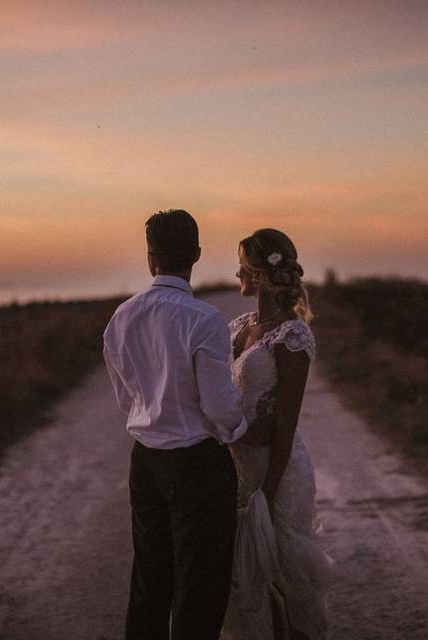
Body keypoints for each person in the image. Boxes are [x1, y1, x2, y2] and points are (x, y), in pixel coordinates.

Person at [103, 210, 271, 640]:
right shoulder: (203, 320)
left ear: (149, 257)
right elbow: (218, 406)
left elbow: (127, 399)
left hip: (145, 463)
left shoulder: (121, 317)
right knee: (200, 588)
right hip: (197, 464)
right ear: (196, 254)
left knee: (149, 582)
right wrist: (246, 430)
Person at [221, 228, 332, 640]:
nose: (237, 273)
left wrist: (267, 489)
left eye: (242, 266)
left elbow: (286, 421)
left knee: (283, 573)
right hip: (235, 466)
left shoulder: (292, 335)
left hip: (277, 471)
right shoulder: (239, 326)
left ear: (261, 273)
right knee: (243, 578)